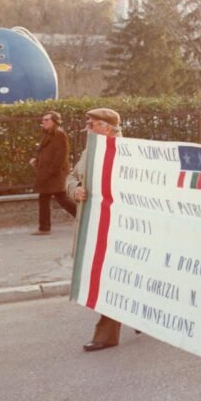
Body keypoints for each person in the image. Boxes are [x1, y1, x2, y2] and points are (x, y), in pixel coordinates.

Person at [66, 108, 130, 352]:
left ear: (107, 128)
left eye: (92, 125)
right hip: (93, 223)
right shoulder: (89, 151)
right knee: (108, 277)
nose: (88, 128)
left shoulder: (127, 153)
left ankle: (106, 334)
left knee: (110, 279)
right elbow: (71, 176)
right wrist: (75, 190)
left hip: (117, 226)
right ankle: (139, 316)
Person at [29, 110, 77, 235]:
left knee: (61, 199)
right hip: (48, 174)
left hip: (54, 175)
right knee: (48, 198)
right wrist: (37, 161)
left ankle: (45, 228)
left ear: (55, 121)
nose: (43, 122)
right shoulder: (49, 134)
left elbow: (61, 155)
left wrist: (52, 172)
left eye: (47, 120)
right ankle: (44, 228)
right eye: (43, 120)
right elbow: (46, 152)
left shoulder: (59, 134)